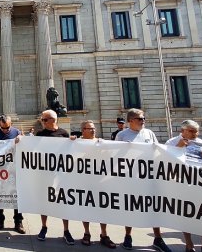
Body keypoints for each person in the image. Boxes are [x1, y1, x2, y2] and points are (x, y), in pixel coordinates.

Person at [115, 108, 171, 252]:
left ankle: (158, 238)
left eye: (143, 118)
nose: (143, 121)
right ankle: (128, 236)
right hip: (130, 178)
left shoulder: (149, 133)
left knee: (153, 207)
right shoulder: (122, 135)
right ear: (131, 121)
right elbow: (115, 155)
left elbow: (158, 151)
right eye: (140, 119)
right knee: (131, 207)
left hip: (149, 177)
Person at [166, 120, 202, 252]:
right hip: (182, 184)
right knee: (186, 214)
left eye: (196, 131)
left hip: (200, 183)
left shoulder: (201, 142)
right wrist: (178, 147)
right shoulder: (171, 142)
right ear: (182, 131)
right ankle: (189, 244)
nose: (195, 133)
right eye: (192, 131)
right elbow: (164, 160)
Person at [35, 109, 76, 245]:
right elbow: (32, 150)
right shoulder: (40, 134)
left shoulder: (63, 133)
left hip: (60, 174)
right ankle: (44, 227)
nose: (42, 122)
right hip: (45, 174)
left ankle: (66, 230)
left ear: (53, 120)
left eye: (45, 119)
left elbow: (70, 152)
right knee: (44, 202)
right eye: (42, 119)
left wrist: (73, 142)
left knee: (63, 202)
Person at [79, 120, 116, 248]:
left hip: (100, 180)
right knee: (86, 207)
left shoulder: (101, 143)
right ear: (83, 130)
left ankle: (104, 234)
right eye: (90, 128)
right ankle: (87, 232)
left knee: (102, 207)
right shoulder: (78, 143)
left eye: (93, 128)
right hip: (85, 180)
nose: (93, 130)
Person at [0, 114, 25, 234]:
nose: (5, 130)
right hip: (1, 171)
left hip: (15, 170)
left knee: (17, 197)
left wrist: (22, 140)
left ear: (11, 124)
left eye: (7, 127)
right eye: (3, 128)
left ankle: (18, 222)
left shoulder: (17, 132)